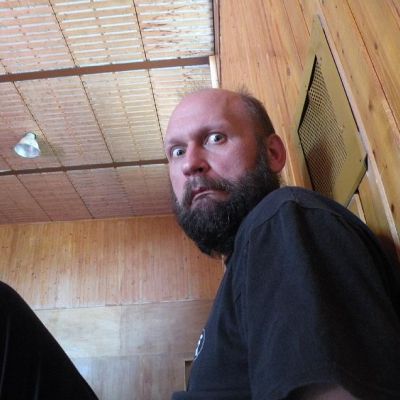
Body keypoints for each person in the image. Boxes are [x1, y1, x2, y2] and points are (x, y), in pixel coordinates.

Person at [165, 88, 400, 400]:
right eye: (177, 152)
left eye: (215, 138)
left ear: (273, 153)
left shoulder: (280, 220)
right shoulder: (254, 253)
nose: (189, 164)